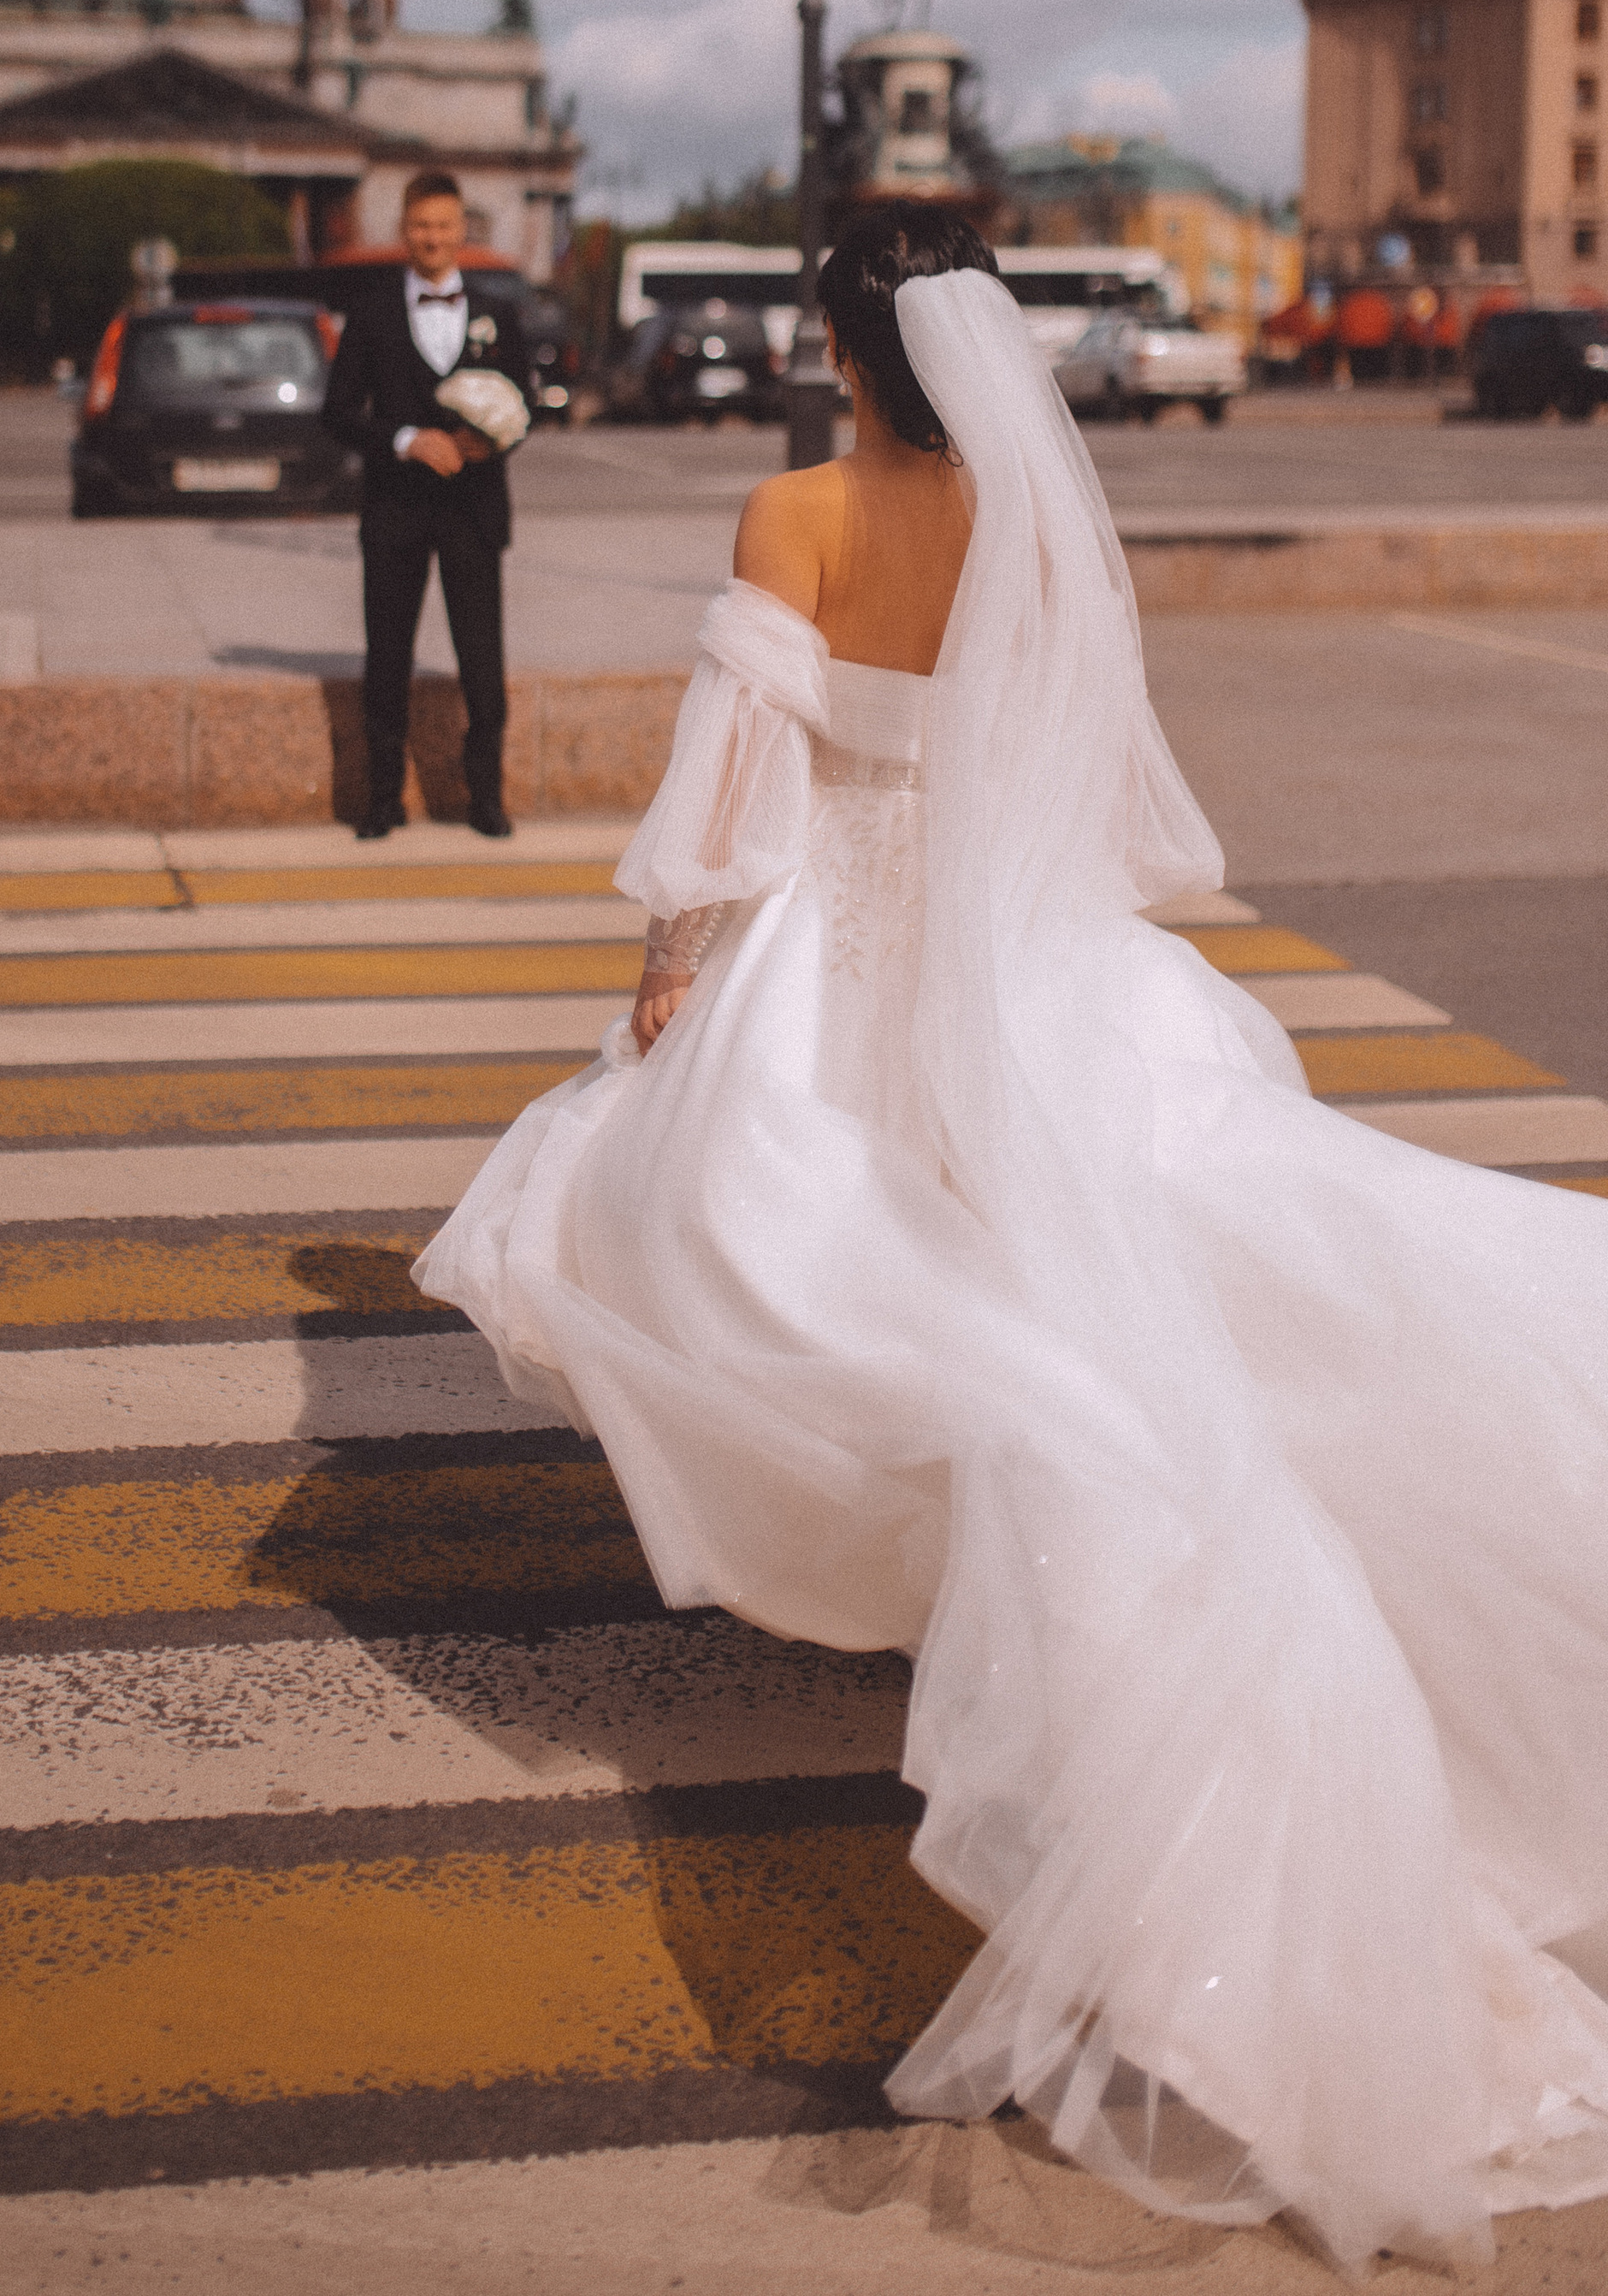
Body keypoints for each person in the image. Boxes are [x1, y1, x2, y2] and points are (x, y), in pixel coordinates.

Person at [418, 202, 1608, 2269]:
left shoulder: (789, 507)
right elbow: (1073, 774)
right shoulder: (1045, 523)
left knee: (699, 1230)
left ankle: (905, 1557)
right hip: (1019, 946)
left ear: (839, 346)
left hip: (838, 945)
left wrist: (667, 962)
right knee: (1082, 1276)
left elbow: (740, 772)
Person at [322, 170, 532, 839]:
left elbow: (526, 407)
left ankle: (485, 797)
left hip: (473, 509)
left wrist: (483, 441)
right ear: (403, 230)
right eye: (420, 225)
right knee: (387, 655)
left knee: (482, 658)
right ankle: (383, 799)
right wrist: (408, 440)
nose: (432, 237)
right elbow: (337, 413)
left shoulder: (500, 311)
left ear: (462, 230)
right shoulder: (374, 311)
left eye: (443, 225)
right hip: (394, 510)